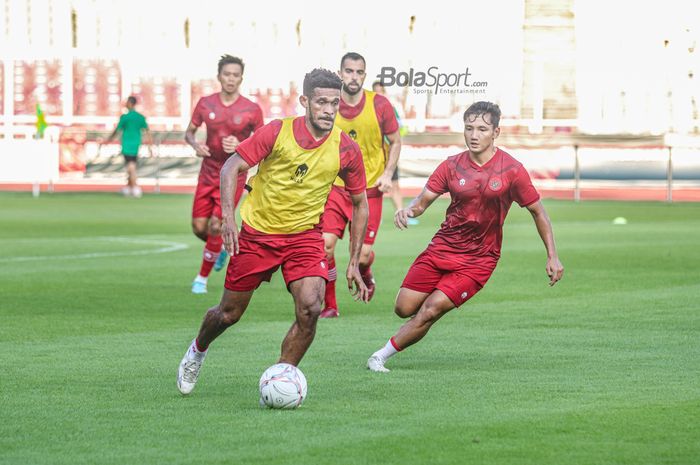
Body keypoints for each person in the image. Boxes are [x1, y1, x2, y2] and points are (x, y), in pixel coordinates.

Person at [177, 68, 370, 396]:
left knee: (310, 307)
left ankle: (282, 377)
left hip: (305, 237)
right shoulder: (277, 132)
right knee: (228, 314)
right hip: (257, 235)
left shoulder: (345, 148)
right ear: (305, 101)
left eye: (334, 103)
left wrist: (353, 260)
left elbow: (360, 203)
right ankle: (197, 350)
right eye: (321, 102)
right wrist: (227, 218)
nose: (328, 109)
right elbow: (231, 166)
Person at [367, 101, 564, 373]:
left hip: (479, 260)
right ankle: (420, 320)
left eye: (482, 129)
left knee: (431, 310)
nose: (474, 135)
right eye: (469, 128)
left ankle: (379, 356)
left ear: (496, 132)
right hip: (441, 249)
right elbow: (422, 201)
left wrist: (552, 256)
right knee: (404, 308)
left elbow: (538, 212)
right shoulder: (451, 166)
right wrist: (408, 210)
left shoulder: (512, 170)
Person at [320, 52, 401, 318]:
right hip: (336, 189)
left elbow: (395, 141)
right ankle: (330, 306)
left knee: (364, 255)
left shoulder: (379, 104)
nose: (353, 77)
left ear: (364, 76)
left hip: (369, 193)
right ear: (340, 73)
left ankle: (366, 271)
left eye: (359, 72)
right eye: (349, 71)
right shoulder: (329, 104)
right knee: (325, 245)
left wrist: (388, 174)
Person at [185, 55, 264, 294]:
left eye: (235, 75)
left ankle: (201, 278)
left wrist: (240, 143)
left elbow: (262, 142)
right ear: (219, 76)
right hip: (208, 172)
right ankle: (218, 249)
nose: (231, 79)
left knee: (216, 224)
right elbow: (189, 133)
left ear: (241, 78)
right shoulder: (205, 104)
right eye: (227, 74)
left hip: (233, 176)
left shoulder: (251, 109)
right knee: (199, 227)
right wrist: (195, 145)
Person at [371, 80, 417, 225]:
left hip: (390, 153)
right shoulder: (368, 109)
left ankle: (401, 215)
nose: (379, 94)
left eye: (381, 91)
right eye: (376, 91)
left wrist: (394, 138)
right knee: (371, 186)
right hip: (373, 154)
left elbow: (400, 129)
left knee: (394, 184)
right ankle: (373, 216)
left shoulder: (391, 108)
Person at [102, 96, 152, 198]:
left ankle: (135, 188)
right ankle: (129, 188)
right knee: (131, 165)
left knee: (131, 166)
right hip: (136, 144)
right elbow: (147, 131)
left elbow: (117, 130)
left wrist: (108, 140)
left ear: (130, 103)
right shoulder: (140, 117)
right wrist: (150, 146)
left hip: (127, 144)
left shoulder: (125, 117)